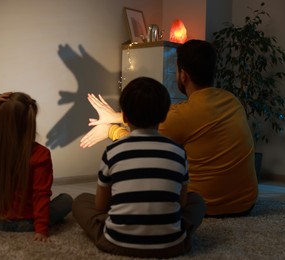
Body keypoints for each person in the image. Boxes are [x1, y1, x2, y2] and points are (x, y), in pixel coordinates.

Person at [80, 39, 258, 218]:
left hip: (209, 206)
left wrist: (110, 129)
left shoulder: (184, 114)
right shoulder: (233, 101)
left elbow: (139, 146)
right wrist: (114, 117)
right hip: (246, 203)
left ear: (183, 75)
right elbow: (151, 119)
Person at [73, 77, 206, 258]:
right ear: (165, 116)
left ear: (124, 117)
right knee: (197, 201)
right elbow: (182, 203)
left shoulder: (112, 151)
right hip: (172, 245)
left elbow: (100, 205)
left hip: (116, 243)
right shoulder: (178, 152)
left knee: (81, 201)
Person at [0, 92, 73, 242]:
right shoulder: (41, 154)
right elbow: (41, 194)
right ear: (31, 121)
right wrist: (41, 229)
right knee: (66, 200)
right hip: (26, 223)